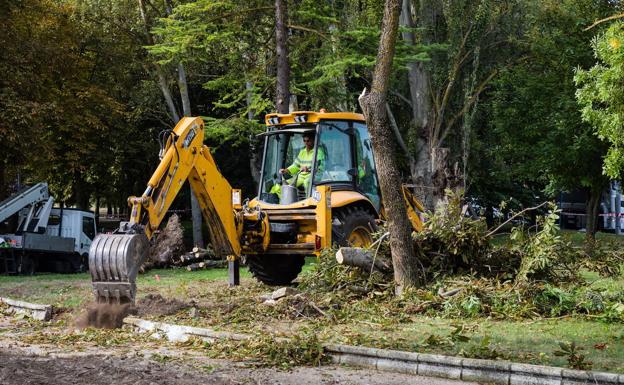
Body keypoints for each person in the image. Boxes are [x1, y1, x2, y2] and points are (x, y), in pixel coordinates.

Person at [270, 132, 325, 196]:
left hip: (314, 176)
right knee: (283, 185)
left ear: (313, 140)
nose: (306, 143)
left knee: (307, 182)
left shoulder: (319, 151)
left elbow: (318, 168)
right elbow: (296, 165)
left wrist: (308, 169)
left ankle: (309, 203)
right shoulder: (302, 151)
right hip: (301, 176)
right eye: (304, 141)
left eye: (308, 141)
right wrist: (286, 170)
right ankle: (281, 203)